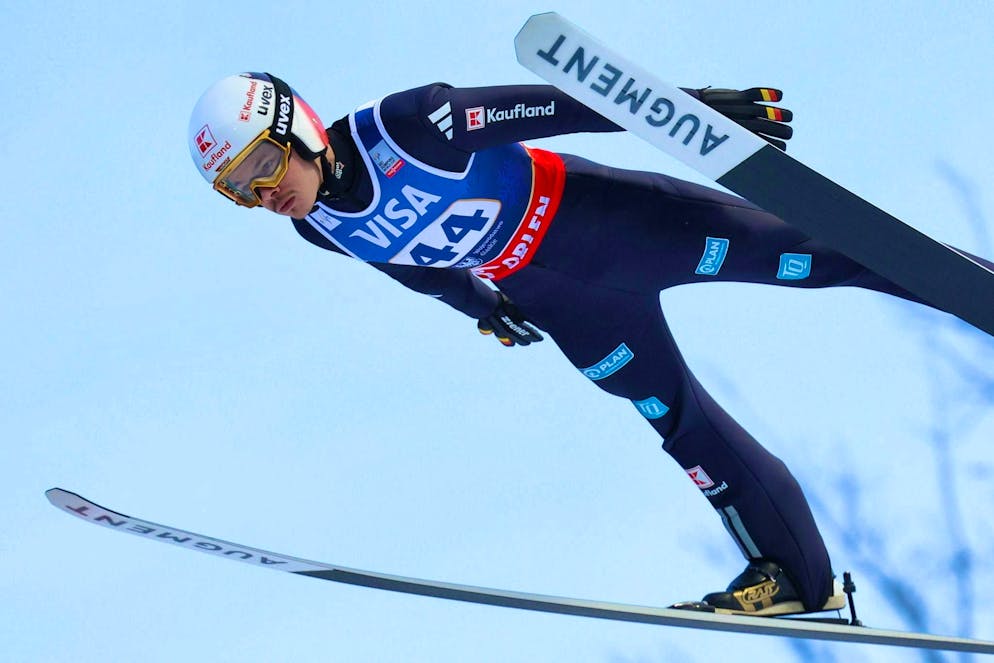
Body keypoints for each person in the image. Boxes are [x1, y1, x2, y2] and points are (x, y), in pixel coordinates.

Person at [186, 72, 970, 617]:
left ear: (297, 127)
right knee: (680, 422)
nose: (263, 194)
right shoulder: (319, 229)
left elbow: (561, 106)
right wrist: (481, 308)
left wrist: (693, 112)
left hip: (620, 225)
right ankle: (797, 574)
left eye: (259, 164)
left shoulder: (411, 125)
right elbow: (411, 267)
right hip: (564, 302)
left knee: (833, 254)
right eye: (237, 192)